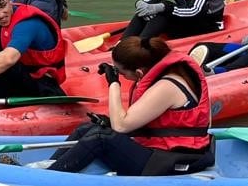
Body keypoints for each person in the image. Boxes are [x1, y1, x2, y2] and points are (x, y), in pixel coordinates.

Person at [46, 36, 213, 175]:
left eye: (121, 73)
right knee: (87, 128)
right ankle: (48, 168)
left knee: (100, 137)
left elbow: (121, 126)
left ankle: (50, 178)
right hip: (161, 150)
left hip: (173, 160)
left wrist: (113, 83)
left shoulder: (167, 86)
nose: (120, 76)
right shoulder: (167, 74)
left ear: (139, 72)